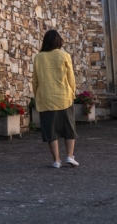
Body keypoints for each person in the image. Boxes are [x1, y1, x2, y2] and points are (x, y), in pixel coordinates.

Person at [32, 29, 79, 168]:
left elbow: (35, 81)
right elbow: (71, 78)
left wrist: (38, 95)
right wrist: (72, 92)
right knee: (69, 129)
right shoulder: (64, 56)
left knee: (50, 131)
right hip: (64, 97)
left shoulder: (38, 57)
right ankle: (70, 156)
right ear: (59, 41)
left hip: (46, 99)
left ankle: (56, 160)